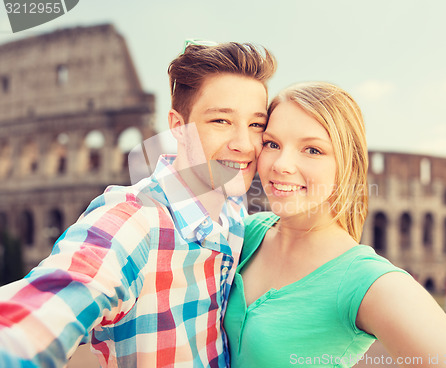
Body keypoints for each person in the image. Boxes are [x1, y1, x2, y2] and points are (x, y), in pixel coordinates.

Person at [0, 41, 276, 367]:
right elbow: (42, 311)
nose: (244, 144)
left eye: (256, 124)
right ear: (179, 128)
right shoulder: (133, 221)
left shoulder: (233, 216)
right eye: (221, 121)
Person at [224, 82, 446, 367]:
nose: (282, 164)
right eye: (272, 144)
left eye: (313, 150)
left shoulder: (365, 281)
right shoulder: (243, 233)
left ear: (349, 166)